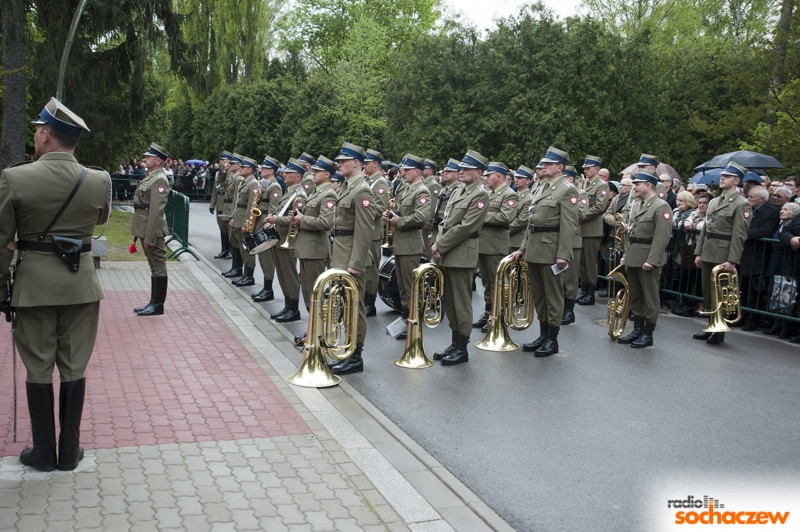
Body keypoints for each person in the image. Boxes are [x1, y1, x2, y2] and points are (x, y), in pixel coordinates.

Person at [0, 97, 111, 471]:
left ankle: (44, 452)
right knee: (74, 366)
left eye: (36, 130)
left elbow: (3, 241)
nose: (34, 135)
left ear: (46, 136)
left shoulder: (15, 177)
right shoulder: (98, 180)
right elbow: (98, 222)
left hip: (33, 287)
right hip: (81, 285)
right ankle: (70, 451)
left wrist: (2, 291)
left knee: (37, 367)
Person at [510, 146, 579, 357]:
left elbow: (569, 226)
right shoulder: (540, 188)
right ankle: (542, 334)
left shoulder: (567, 190)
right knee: (539, 295)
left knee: (553, 296)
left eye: (548, 164)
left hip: (551, 250)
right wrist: (523, 248)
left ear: (560, 167)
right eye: (543, 164)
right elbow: (532, 223)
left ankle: (552, 339)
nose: (543, 167)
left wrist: (563, 255)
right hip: (535, 249)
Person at [431, 149, 490, 365]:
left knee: (461, 302)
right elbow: (444, 222)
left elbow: (466, 227)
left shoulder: (480, 194)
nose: (461, 171)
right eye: (461, 168)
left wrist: (440, 245)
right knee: (449, 300)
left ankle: (462, 348)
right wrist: (438, 243)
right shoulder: (458, 191)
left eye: (466, 169)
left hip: (461, 254)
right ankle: (455, 342)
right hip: (447, 253)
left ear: (479, 172)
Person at [327, 142, 375, 375]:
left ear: (356, 162)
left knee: (354, 308)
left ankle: (355, 356)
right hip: (342, 254)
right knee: (345, 307)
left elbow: (364, 230)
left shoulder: (362, 190)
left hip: (352, 259)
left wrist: (355, 263)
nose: (338, 164)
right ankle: (347, 350)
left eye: (342, 160)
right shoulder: (348, 187)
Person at [692, 162, 752, 345]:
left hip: (723, 253)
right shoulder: (715, 201)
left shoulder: (742, 204)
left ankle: (719, 330)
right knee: (708, 292)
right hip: (709, 250)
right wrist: (698, 252)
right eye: (722, 175)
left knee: (721, 294)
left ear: (736, 180)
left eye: (727, 176)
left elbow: (739, 235)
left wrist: (732, 259)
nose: (722, 178)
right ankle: (711, 325)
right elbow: (706, 229)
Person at [615, 170, 672, 348]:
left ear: (648, 185)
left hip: (648, 257)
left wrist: (652, 260)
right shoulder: (637, 205)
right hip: (634, 255)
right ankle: (638, 329)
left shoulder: (661, 206)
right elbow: (631, 233)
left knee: (650, 297)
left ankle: (648, 333)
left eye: (638, 184)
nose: (635, 187)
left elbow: (661, 237)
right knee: (636, 295)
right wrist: (626, 255)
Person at [384, 154, 432, 338]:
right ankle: (407, 319)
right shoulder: (406, 188)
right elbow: (403, 211)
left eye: (407, 169)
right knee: (403, 287)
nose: (402, 172)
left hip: (411, 245)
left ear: (417, 171)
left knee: (411, 287)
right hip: (401, 243)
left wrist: (399, 220)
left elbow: (421, 218)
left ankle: (414, 322)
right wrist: (392, 214)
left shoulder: (422, 190)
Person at [292, 155, 338, 346]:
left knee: (314, 295)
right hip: (306, 249)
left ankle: (319, 334)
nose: (312, 173)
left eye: (317, 171)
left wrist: (303, 220)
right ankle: (313, 330)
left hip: (315, 250)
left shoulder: (328, 194)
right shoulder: (317, 192)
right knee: (309, 294)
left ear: (327, 174)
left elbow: (326, 223)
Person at [473, 162, 517, 331]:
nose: (485, 178)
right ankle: (488, 311)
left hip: (495, 245)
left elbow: (505, 217)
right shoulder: (489, 193)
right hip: (484, 244)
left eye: (488, 175)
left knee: (497, 282)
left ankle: (499, 315)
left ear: (498, 176)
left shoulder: (509, 194)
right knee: (486, 282)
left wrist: (480, 216)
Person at [263, 159, 307, 322]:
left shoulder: (300, 194)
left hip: (290, 240)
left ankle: (294, 308)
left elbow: (297, 218)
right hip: (281, 238)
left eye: (288, 173)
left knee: (289, 275)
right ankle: (288, 305)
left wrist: (277, 220)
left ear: (297, 176)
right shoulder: (289, 192)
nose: (284, 175)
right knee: (282, 274)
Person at [132, 143, 171, 316]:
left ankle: (158, 305)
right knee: (153, 266)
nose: (145, 159)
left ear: (158, 160)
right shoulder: (151, 176)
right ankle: (153, 302)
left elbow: (156, 211)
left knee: (158, 266)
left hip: (152, 228)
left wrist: (150, 237)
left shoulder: (159, 179)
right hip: (145, 225)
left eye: (148, 157)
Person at [740, 185, 780, 329]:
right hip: (745, 253)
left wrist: (742, 234)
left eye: (751, 197)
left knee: (754, 290)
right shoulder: (747, 209)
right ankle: (741, 315)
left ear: (762, 199)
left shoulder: (772, 212)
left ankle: (752, 319)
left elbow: (766, 230)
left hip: (759, 256)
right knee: (742, 288)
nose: (748, 199)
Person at [576, 155, 610, 306]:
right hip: (582, 229)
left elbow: (599, 207)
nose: (585, 170)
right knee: (582, 262)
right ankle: (584, 290)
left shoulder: (601, 186)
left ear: (596, 169)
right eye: (585, 168)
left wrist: (580, 217)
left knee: (590, 263)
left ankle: (590, 293)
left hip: (591, 229)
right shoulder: (585, 185)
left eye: (588, 168)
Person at [363, 149, 390, 317]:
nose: (364, 165)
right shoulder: (368, 181)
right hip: (365, 231)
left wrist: (360, 214)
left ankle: (370, 303)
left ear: (376, 164)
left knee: (371, 269)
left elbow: (380, 208)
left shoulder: (379, 183)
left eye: (367, 162)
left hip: (372, 233)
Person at [229, 156, 261, 288]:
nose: (240, 169)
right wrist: (233, 217)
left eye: (243, 167)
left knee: (247, 248)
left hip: (244, 218)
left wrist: (247, 222)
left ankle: (249, 275)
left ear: (250, 169)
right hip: (238, 216)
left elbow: (252, 206)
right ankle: (243, 273)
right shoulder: (244, 181)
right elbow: (237, 202)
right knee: (241, 247)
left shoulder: (253, 183)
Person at [210, 151, 233, 259]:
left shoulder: (232, 173)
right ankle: (224, 249)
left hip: (228, 204)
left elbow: (226, 184)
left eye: (224, 160)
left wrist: (226, 171)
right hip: (220, 203)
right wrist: (212, 204)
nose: (221, 162)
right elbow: (215, 189)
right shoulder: (219, 173)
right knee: (222, 228)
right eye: (221, 160)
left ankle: (230, 250)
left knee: (229, 229)